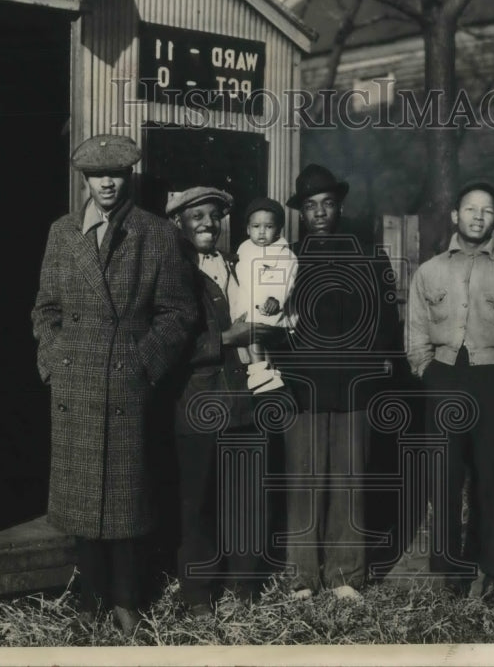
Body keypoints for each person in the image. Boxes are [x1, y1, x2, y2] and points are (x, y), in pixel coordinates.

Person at [31, 134, 198, 634]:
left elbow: (178, 313)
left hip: (127, 384)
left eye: (116, 174)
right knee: (82, 503)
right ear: (84, 179)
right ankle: (89, 598)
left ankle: (127, 599)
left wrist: (142, 364)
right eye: (96, 175)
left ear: (129, 177)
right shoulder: (62, 233)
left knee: (126, 500)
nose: (106, 183)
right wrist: (55, 361)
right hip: (75, 384)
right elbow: (45, 309)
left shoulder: (155, 234)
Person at [406, 179, 494, 605]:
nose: (477, 217)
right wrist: (430, 375)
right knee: (444, 482)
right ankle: (449, 576)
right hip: (444, 380)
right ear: (455, 215)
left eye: (487, 211)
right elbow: (415, 337)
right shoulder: (429, 272)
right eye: (470, 209)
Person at [275, 163, 401, 601]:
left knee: (350, 480)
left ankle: (346, 576)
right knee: (304, 482)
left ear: (340, 206)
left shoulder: (368, 254)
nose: (320, 212)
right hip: (301, 386)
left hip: (353, 386)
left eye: (328, 203)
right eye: (310, 206)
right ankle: (302, 577)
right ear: (301, 213)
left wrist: (377, 363)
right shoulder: (286, 258)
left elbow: (387, 317)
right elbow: (267, 317)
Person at [166, 186, 281, 615]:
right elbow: (167, 346)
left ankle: (244, 589)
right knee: (198, 504)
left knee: (246, 500)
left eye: (214, 216)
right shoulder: (172, 271)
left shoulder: (237, 264)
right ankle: (198, 596)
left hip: (244, 403)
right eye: (196, 216)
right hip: (197, 406)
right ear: (179, 222)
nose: (207, 225)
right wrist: (227, 338)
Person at [231, 196, 298, 394]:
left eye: (268, 227)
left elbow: (287, 279)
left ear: (278, 230)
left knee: (257, 336)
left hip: (269, 306)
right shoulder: (244, 248)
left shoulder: (284, 254)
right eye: (256, 226)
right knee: (253, 339)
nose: (261, 232)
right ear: (247, 229)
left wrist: (276, 298)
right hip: (247, 303)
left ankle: (259, 372)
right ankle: (269, 374)